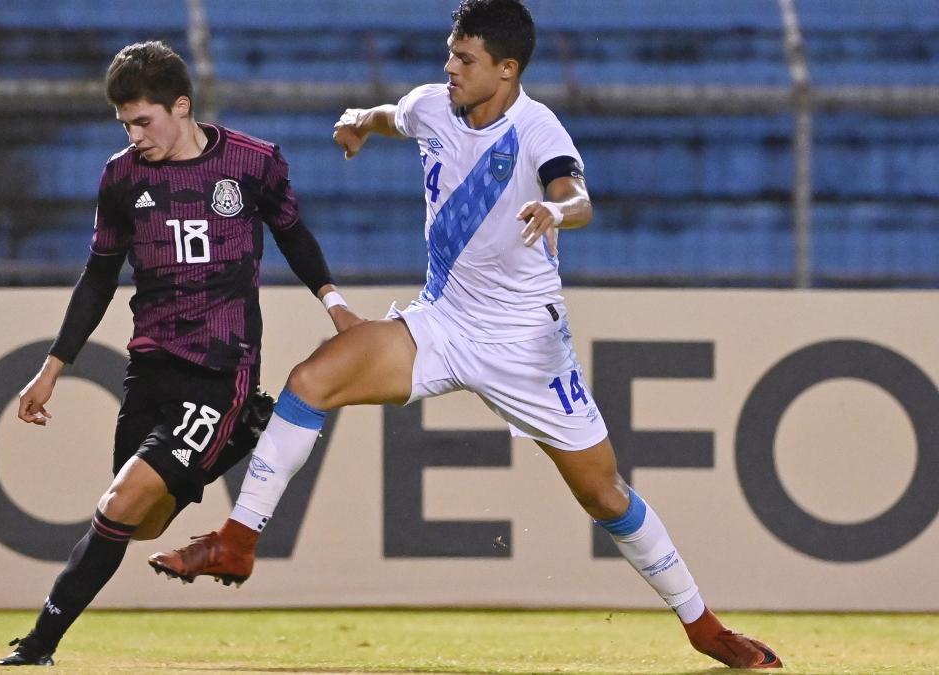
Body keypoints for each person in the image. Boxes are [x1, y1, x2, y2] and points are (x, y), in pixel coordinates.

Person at [148, 1, 783, 669]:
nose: (450, 66)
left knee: (603, 493)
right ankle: (238, 538)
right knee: (311, 381)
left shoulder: (537, 128)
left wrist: (554, 209)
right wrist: (360, 122)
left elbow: (579, 196)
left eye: (465, 58)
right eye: (450, 52)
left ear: (506, 70)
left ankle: (703, 625)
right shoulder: (433, 105)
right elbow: (395, 115)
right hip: (444, 321)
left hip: (524, 345)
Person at [0, 40, 361, 666]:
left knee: (116, 506)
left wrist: (333, 302)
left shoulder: (253, 163)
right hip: (150, 369)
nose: (135, 135)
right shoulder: (121, 177)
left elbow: (293, 233)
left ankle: (38, 646)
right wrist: (52, 368)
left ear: (181, 106)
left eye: (144, 120)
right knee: (145, 524)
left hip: (221, 370)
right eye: (126, 124)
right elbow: (98, 277)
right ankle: (247, 435)